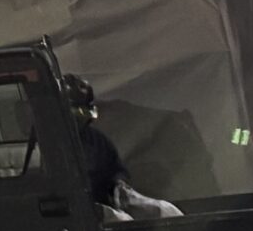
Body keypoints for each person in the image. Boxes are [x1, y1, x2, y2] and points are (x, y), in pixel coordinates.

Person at [63, 73, 181, 220]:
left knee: (168, 212)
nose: (81, 121)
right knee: (123, 222)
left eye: (84, 115)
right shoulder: (47, 144)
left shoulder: (96, 139)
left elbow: (116, 168)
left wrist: (119, 184)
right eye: (77, 114)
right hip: (73, 210)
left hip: (108, 200)